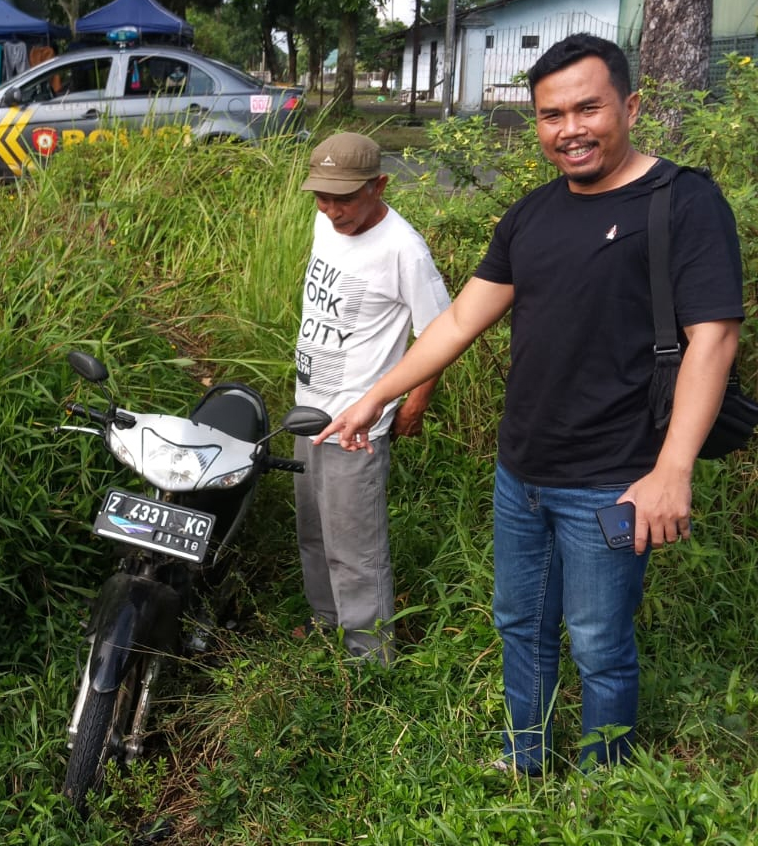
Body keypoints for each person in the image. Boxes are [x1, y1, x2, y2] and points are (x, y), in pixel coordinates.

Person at [316, 34, 744, 773]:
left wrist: (673, 469)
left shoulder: (684, 202)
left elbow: (713, 339)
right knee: (521, 624)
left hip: (615, 478)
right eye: (551, 115)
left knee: (599, 641)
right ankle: (526, 758)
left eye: (588, 108)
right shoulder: (531, 215)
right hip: (522, 473)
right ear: (536, 123)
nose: (569, 129)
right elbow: (455, 323)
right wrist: (373, 399)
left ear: (630, 106)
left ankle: (606, 788)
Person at [293, 132, 451, 663]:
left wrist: (413, 405)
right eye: (323, 196)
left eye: (346, 197)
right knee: (314, 533)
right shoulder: (326, 221)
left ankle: (368, 662)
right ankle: (326, 627)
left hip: (358, 423)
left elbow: (440, 334)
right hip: (307, 410)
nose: (333, 210)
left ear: (379, 185)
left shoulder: (403, 248)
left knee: (355, 552)